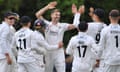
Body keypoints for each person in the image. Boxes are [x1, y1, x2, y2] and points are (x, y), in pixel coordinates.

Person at [35, 1, 84, 72]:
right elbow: (37, 15)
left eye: (59, 15)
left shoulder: (62, 26)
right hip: (49, 52)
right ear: (51, 15)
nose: (57, 16)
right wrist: (47, 6)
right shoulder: (46, 24)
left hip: (59, 52)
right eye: (56, 14)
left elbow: (76, 25)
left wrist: (77, 14)